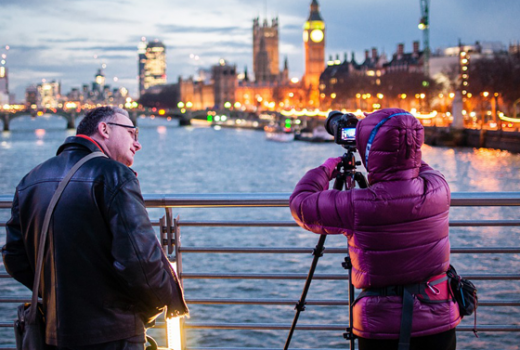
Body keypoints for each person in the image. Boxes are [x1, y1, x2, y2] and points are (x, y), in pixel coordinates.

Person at [2, 106, 188, 349]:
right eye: (132, 133)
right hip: (113, 332)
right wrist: (155, 306)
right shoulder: (115, 174)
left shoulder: (31, 180)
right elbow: (141, 260)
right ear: (104, 130)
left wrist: (58, 295)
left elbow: (14, 257)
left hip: (53, 331)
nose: (138, 143)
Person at [289, 108, 461, 350]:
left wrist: (327, 168)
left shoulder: (359, 204)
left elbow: (301, 204)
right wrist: (396, 135)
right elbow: (413, 162)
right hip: (440, 322)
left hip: (382, 329)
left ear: (371, 151)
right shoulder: (438, 187)